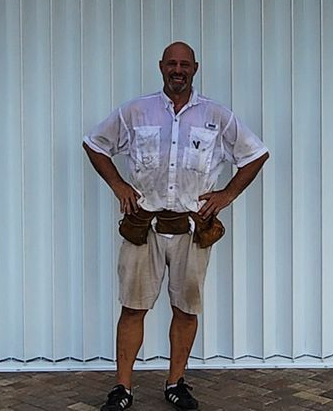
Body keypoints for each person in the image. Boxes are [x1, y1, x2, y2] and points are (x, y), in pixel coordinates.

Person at [82, 42, 270, 411]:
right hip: (144, 226)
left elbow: (255, 153)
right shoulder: (135, 111)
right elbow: (95, 144)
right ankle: (122, 389)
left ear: (195, 69)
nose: (178, 70)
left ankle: (175, 383)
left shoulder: (217, 115)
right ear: (161, 67)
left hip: (191, 228)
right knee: (133, 308)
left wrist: (227, 194)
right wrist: (119, 186)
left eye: (184, 64)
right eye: (172, 63)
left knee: (185, 309)